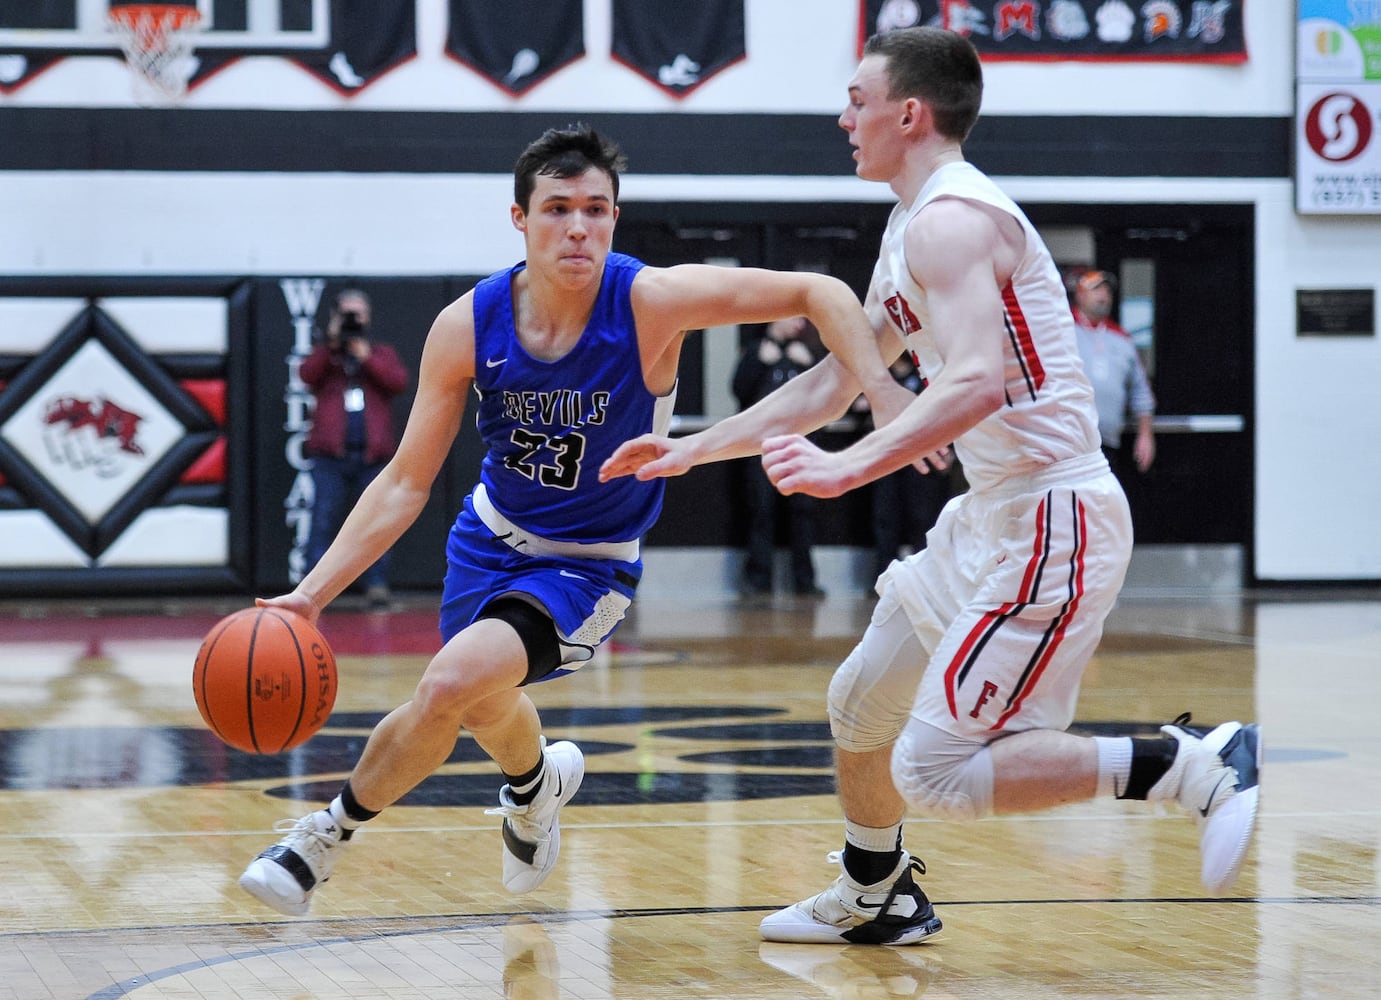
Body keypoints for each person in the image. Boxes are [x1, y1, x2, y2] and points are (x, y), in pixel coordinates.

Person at [600, 27, 1261, 946]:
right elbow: (833, 378)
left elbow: (975, 380)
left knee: (939, 769)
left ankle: (1189, 763)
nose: (843, 118)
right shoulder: (913, 225)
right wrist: (689, 448)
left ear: (908, 112)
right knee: (859, 700)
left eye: (856, 100)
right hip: (988, 514)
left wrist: (846, 465)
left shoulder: (954, 220)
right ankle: (875, 896)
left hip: (1049, 513)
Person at [237, 123, 906, 917]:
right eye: (557, 209)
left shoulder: (649, 301)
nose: (579, 226)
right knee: (482, 703)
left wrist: (881, 390)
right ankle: (536, 782)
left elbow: (817, 293)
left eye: (596, 208)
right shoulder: (466, 323)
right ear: (519, 219)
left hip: (585, 563)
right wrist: (310, 597)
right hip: (486, 540)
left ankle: (321, 837)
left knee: (450, 681)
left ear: (615, 218)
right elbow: (403, 483)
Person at [300, 289, 410, 609]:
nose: (353, 319)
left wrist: (365, 356)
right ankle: (312, 591)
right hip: (330, 456)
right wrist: (332, 343)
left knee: (375, 524)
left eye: (358, 314)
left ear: (368, 317)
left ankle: (376, 586)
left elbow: (397, 382)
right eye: (347, 314)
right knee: (323, 520)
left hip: (372, 456)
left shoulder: (379, 351)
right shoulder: (326, 355)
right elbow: (306, 375)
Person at [731, 316, 826, 596]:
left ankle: (804, 581)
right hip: (761, 448)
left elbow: (826, 396)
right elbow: (738, 392)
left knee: (803, 513)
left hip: (802, 446)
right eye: (792, 315)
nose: (799, 322)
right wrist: (760, 362)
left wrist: (807, 364)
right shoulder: (756, 350)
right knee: (761, 511)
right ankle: (758, 579)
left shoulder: (808, 351)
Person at [860, 353, 951, 581]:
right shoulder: (879, 377)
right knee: (885, 517)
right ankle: (882, 579)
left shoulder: (928, 374)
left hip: (922, 458)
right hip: (887, 458)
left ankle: (926, 580)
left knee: (922, 519)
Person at [1070, 269, 1156, 479]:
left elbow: (1140, 391)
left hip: (1107, 442)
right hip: (1068, 444)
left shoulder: (1122, 339)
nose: (1103, 295)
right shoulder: (1061, 329)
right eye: (1096, 289)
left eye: (1107, 290)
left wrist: (1145, 435)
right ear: (1080, 295)